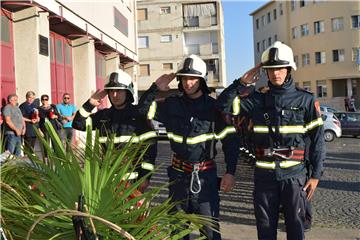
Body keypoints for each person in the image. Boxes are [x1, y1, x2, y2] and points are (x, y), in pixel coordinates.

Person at [216, 41, 325, 240]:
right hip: (264, 176)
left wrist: (316, 175)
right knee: (265, 230)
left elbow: (318, 140)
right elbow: (222, 106)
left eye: (281, 68)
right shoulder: (256, 101)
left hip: (294, 176)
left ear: (289, 69)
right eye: (271, 69)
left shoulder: (305, 100)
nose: (276, 74)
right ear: (266, 72)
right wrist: (240, 84)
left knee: (296, 229)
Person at [138, 54, 239, 239]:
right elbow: (141, 111)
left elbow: (230, 142)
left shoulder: (214, 107)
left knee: (209, 233)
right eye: (184, 78)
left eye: (192, 78)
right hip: (177, 178)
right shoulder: (171, 104)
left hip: (206, 178)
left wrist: (230, 172)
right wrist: (154, 89)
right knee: (177, 231)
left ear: (201, 80)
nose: (187, 83)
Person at [72, 69, 157, 192]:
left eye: (118, 91)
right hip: (106, 180)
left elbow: (150, 150)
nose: (114, 95)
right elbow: (78, 124)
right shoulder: (103, 116)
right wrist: (89, 104)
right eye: (111, 91)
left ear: (128, 92)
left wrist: (145, 177)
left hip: (132, 182)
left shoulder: (138, 116)